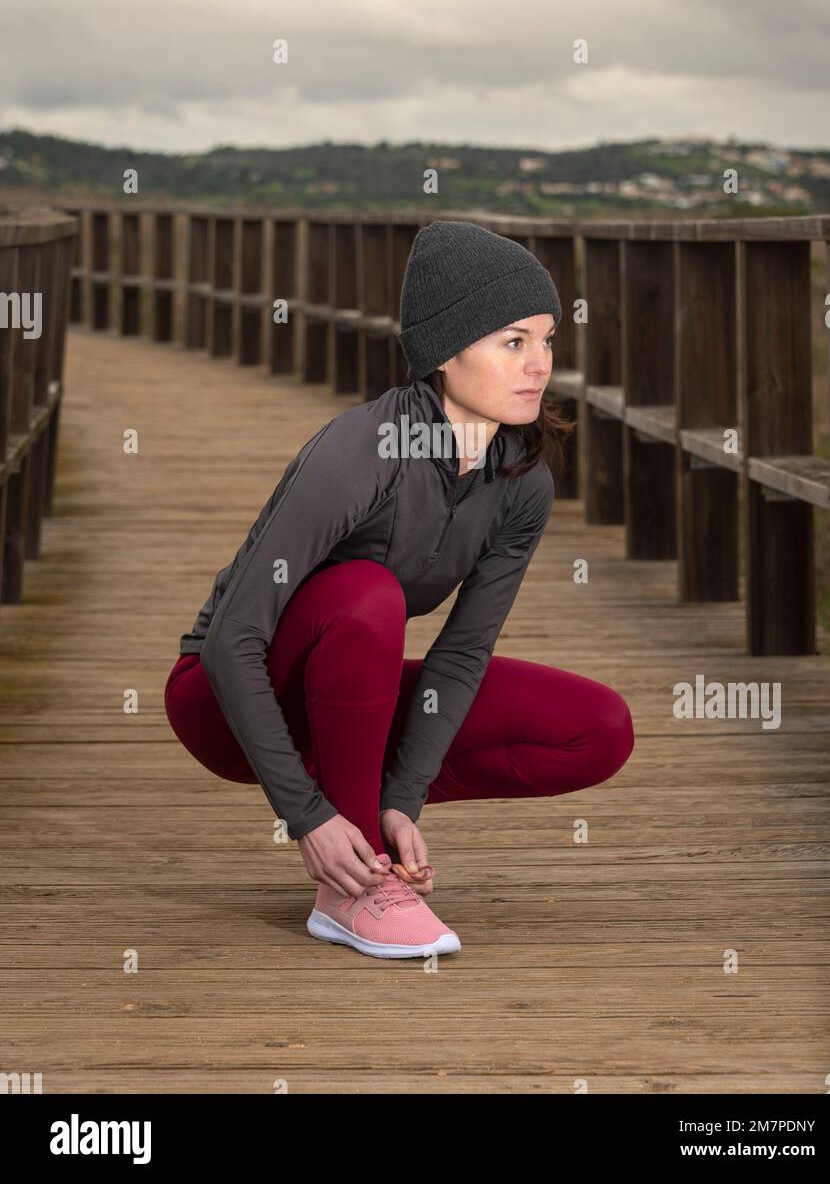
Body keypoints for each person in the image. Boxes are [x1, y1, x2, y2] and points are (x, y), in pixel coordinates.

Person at [163, 219, 634, 959]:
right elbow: (232, 640)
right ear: (445, 350)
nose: (538, 364)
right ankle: (350, 892)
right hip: (226, 700)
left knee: (597, 727)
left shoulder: (522, 481)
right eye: (513, 342)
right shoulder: (359, 452)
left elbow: (461, 653)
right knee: (366, 591)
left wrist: (401, 797)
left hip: (349, 699)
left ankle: (370, 837)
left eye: (547, 341)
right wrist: (306, 816)